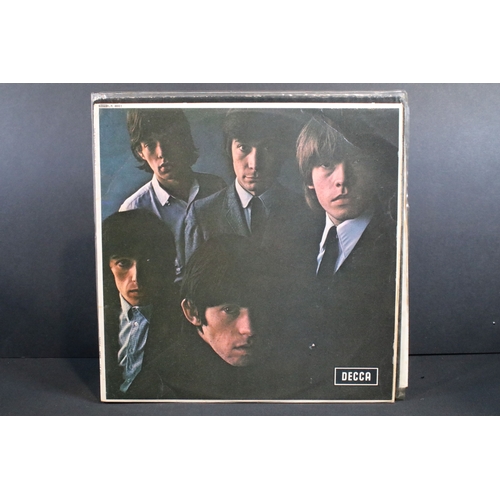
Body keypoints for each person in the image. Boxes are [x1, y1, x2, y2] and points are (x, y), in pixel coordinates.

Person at [295, 114, 399, 400]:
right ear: (308, 177)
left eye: (356, 161)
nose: (341, 179)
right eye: (327, 164)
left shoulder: (394, 245)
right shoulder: (291, 239)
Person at [184, 109, 311, 276]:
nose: (254, 164)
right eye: (243, 147)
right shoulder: (203, 214)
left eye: (268, 147)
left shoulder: (306, 211)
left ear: (281, 152)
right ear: (229, 149)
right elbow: (193, 285)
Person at [160, 235, 281, 400]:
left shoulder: (284, 368)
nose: (249, 329)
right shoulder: (161, 388)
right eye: (229, 310)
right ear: (192, 312)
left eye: (259, 308)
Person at [119, 109, 226, 281]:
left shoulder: (216, 187)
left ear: (183, 140)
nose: (162, 152)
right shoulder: (133, 209)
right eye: (150, 145)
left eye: (169, 140)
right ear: (140, 152)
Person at [101, 209, 179, 399]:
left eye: (149, 261)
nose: (136, 277)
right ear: (108, 267)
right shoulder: (100, 315)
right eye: (123, 263)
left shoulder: (181, 319)